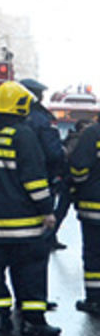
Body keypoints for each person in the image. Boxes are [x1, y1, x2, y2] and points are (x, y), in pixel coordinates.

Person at [0, 81, 60, 336]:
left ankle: (1, 318)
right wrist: (47, 210)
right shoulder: (23, 135)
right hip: (24, 222)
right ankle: (34, 320)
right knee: (31, 270)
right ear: (21, 104)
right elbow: (34, 179)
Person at [20, 78, 68, 250]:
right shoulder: (40, 119)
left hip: (17, 178)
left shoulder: (16, 117)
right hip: (42, 174)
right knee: (43, 211)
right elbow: (52, 151)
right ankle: (45, 241)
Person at [69, 119, 100, 315]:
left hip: (94, 206)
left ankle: (95, 300)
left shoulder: (92, 134)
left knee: (94, 254)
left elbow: (78, 168)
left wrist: (81, 185)